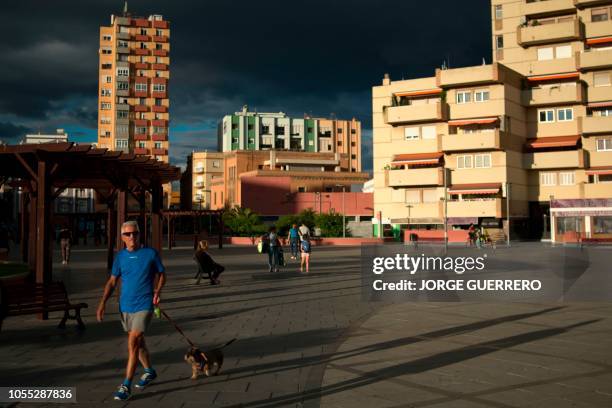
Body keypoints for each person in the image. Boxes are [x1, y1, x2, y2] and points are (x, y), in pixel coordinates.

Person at [96, 220, 166, 401]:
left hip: (145, 304)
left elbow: (162, 275)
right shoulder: (120, 257)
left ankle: (126, 385)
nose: (132, 237)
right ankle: (149, 371)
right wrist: (102, 303)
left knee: (133, 342)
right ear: (122, 238)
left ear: (140, 234)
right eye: (128, 234)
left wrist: (157, 291)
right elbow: (112, 282)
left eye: (135, 233)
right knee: (139, 343)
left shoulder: (150, 254)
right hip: (125, 306)